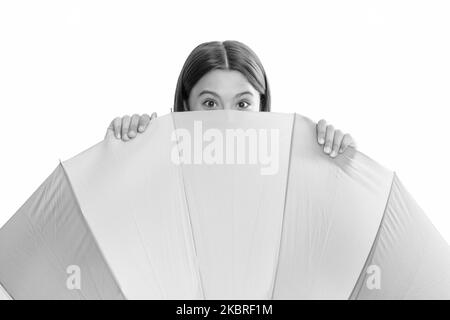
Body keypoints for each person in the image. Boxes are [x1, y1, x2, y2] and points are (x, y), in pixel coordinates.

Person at [105, 40, 355, 158]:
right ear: (185, 105)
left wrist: (342, 170)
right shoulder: (157, 169)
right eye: (210, 103)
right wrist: (118, 159)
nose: (227, 119)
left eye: (243, 104)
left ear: (262, 107)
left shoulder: (288, 174)